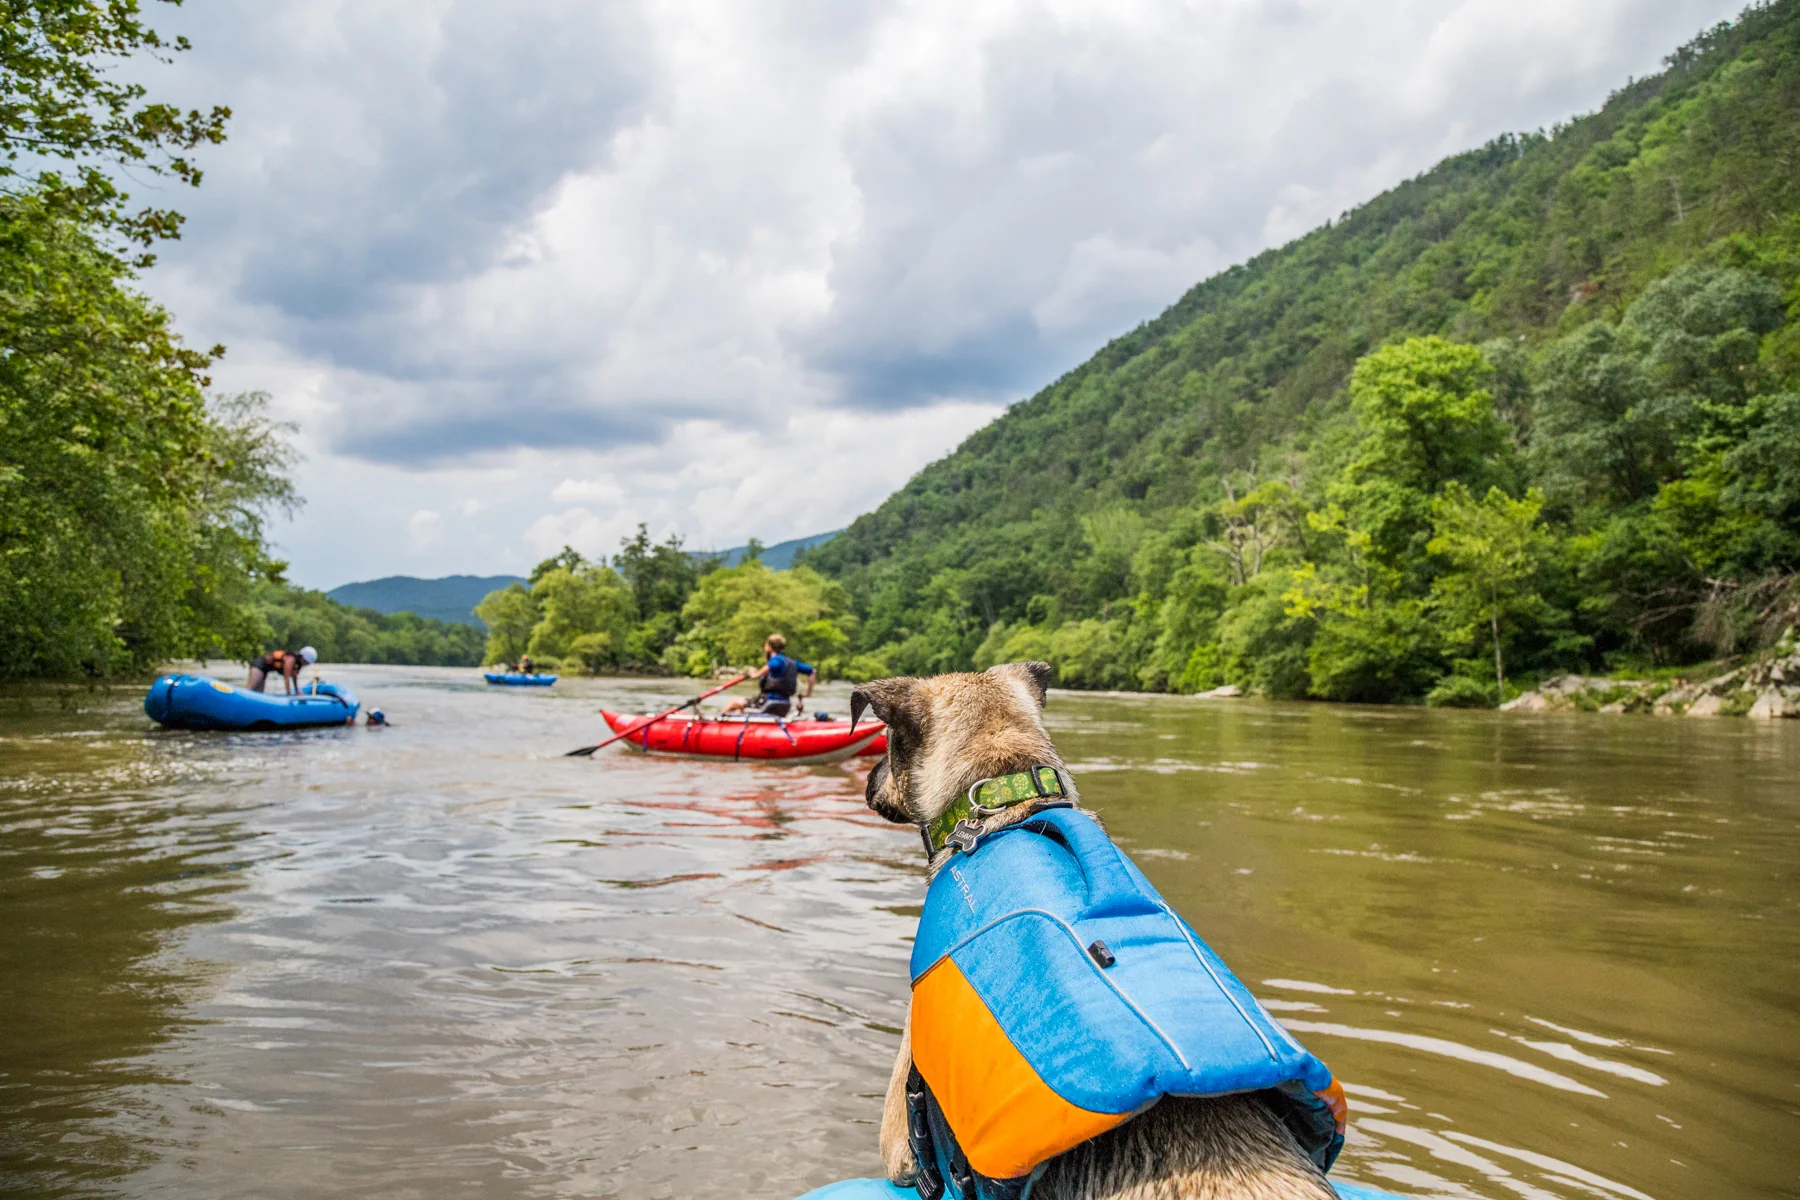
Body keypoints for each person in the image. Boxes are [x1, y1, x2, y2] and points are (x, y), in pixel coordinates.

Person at [721, 634, 814, 719]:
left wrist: (756, 674)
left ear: (769, 647)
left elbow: (772, 665)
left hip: (769, 702)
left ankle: (716, 723)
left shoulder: (776, 659)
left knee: (734, 702)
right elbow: (812, 671)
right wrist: (807, 693)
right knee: (739, 709)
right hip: (785, 704)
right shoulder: (792, 662)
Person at [248, 645, 317, 694]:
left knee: (259, 693)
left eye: (307, 663)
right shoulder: (291, 660)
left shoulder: (297, 666)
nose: (305, 664)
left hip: (265, 670)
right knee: (251, 688)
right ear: (302, 657)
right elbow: (286, 678)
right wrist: (289, 694)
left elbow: (294, 678)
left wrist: (297, 692)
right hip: (259, 665)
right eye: (305, 662)